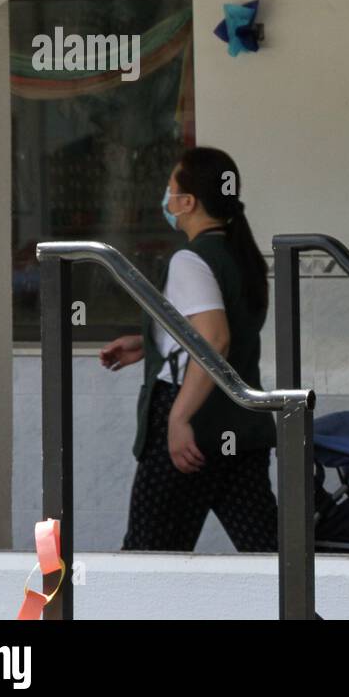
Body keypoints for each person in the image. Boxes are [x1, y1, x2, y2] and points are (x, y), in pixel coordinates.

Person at [99, 146, 279, 552]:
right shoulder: (239, 254)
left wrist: (179, 418)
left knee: (147, 555)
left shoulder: (190, 259)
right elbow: (216, 329)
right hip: (240, 424)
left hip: (193, 425)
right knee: (271, 556)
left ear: (188, 202)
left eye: (170, 190)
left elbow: (215, 338)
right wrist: (148, 344)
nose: (166, 199)